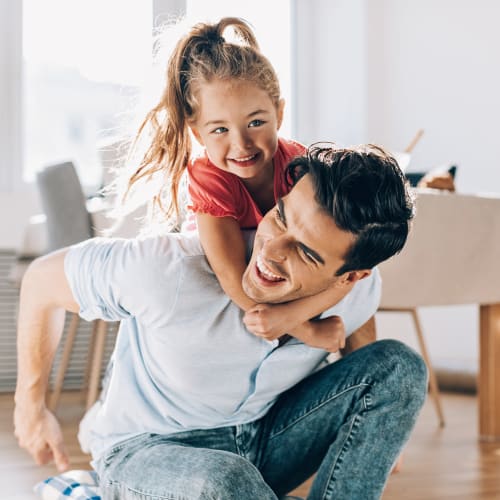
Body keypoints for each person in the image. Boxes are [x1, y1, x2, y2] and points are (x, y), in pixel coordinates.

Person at [15, 143, 427, 499]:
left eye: (306, 252)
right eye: (281, 217)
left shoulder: (359, 289)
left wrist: (377, 427)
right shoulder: (169, 269)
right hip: (145, 450)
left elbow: (363, 327)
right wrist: (29, 408)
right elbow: (39, 282)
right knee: (227, 480)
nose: (272, 250)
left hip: (262, 439)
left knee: (402, 365)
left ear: (351, 275)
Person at [126, 17, 347, 351]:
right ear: (198, 133)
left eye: (256, 122)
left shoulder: (301, 166)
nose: (241, 144)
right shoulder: (208, 175)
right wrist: (306, 330)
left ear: (280, 114)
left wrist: (292, 316)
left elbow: (348, 265)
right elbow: (232, 280)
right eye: (219, 130)